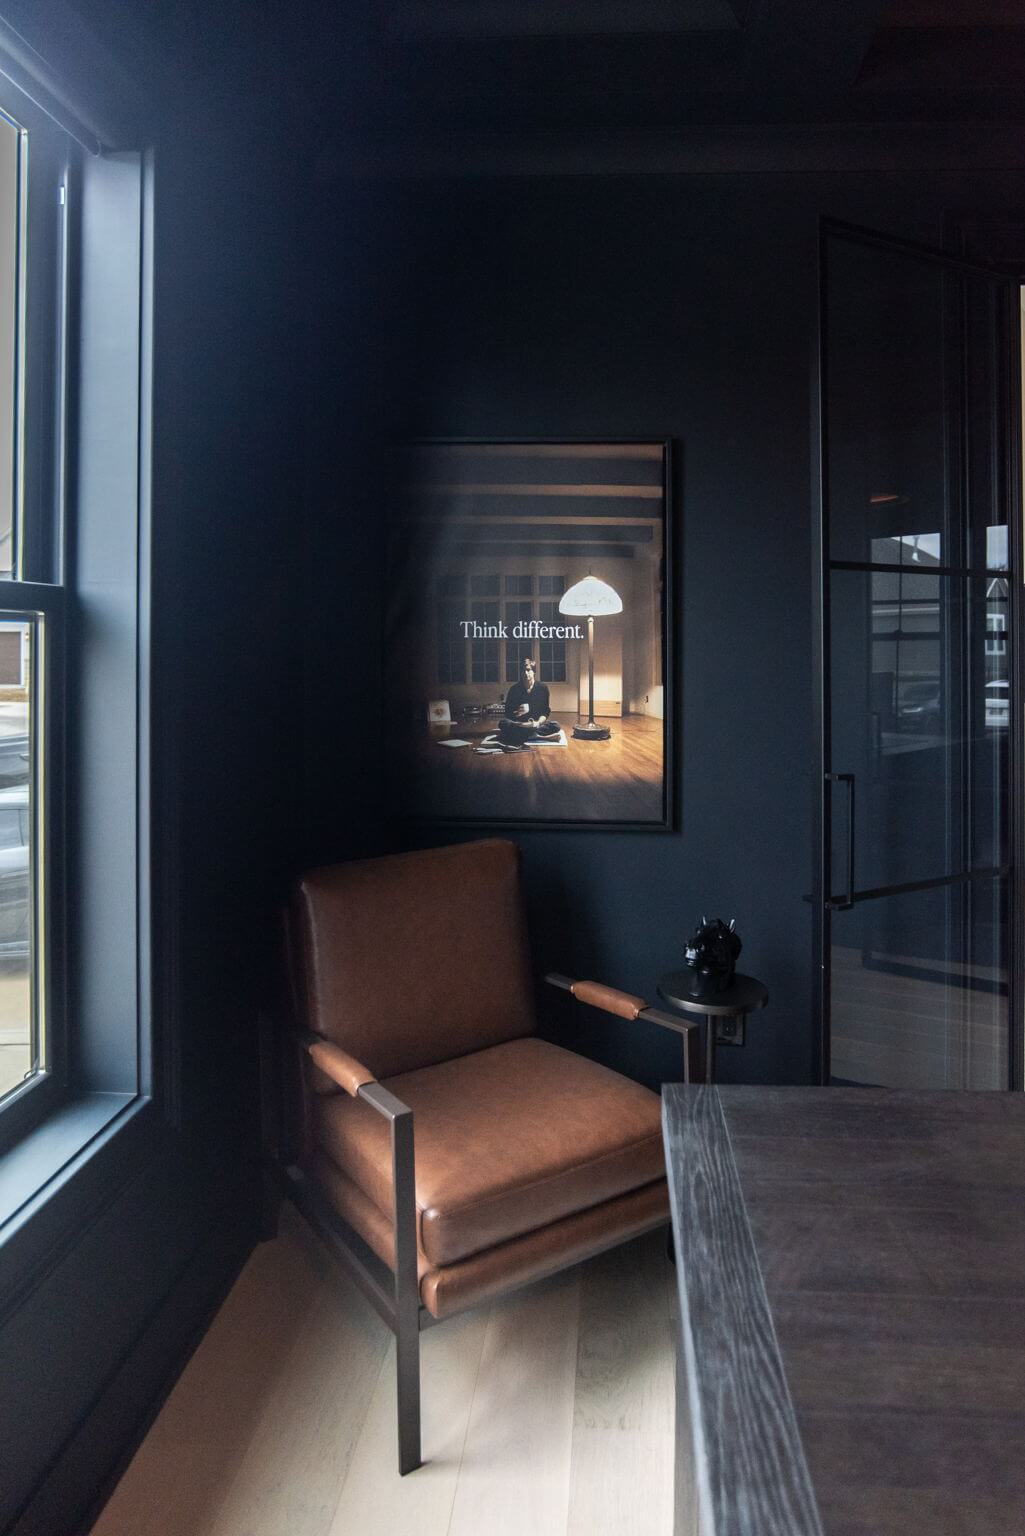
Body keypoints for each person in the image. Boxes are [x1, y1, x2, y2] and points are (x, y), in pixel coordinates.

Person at [497, 657, 562, 747]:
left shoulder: (542, 688)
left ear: (534, 672)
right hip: (520, 724)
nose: (525, 673)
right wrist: (517, 713)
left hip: (535, 724)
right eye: (523, 671)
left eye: (528, 670)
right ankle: (534, 736)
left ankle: (522, 736)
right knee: (503, 723)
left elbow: (545, 711)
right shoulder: (514, 689)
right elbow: (508, 713)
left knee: (555, 725)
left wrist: (538, 722)